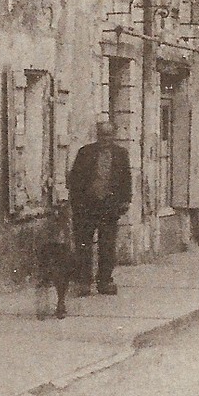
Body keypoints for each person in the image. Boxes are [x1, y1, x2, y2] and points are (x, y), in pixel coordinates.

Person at [68, 118, 131, 296]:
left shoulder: (121, 154)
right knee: (83, 245)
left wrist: (125, 200)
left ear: (114, 136)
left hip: (109, 207)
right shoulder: (85, 152)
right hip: (86, 207)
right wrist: (76, 204)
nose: (105, 138)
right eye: (102, 134)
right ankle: (83, 282)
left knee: (107, 245)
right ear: (97, 135)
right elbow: (75, 179)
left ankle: (105, 281)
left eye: (109, 134)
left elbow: (126, 179)